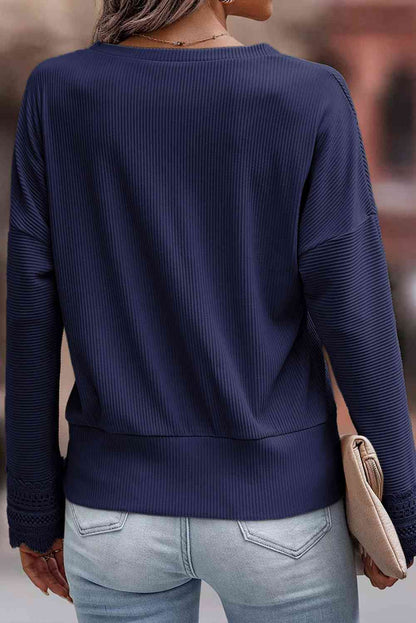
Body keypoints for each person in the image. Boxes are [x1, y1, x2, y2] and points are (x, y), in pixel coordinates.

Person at [5, 0, 416, 621]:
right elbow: (356, 314)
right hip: (281, 512)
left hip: (114, 512)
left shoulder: (58, 93)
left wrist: (33, 506)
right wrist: (401, 508)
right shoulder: (310, 96)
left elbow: (31, 313)